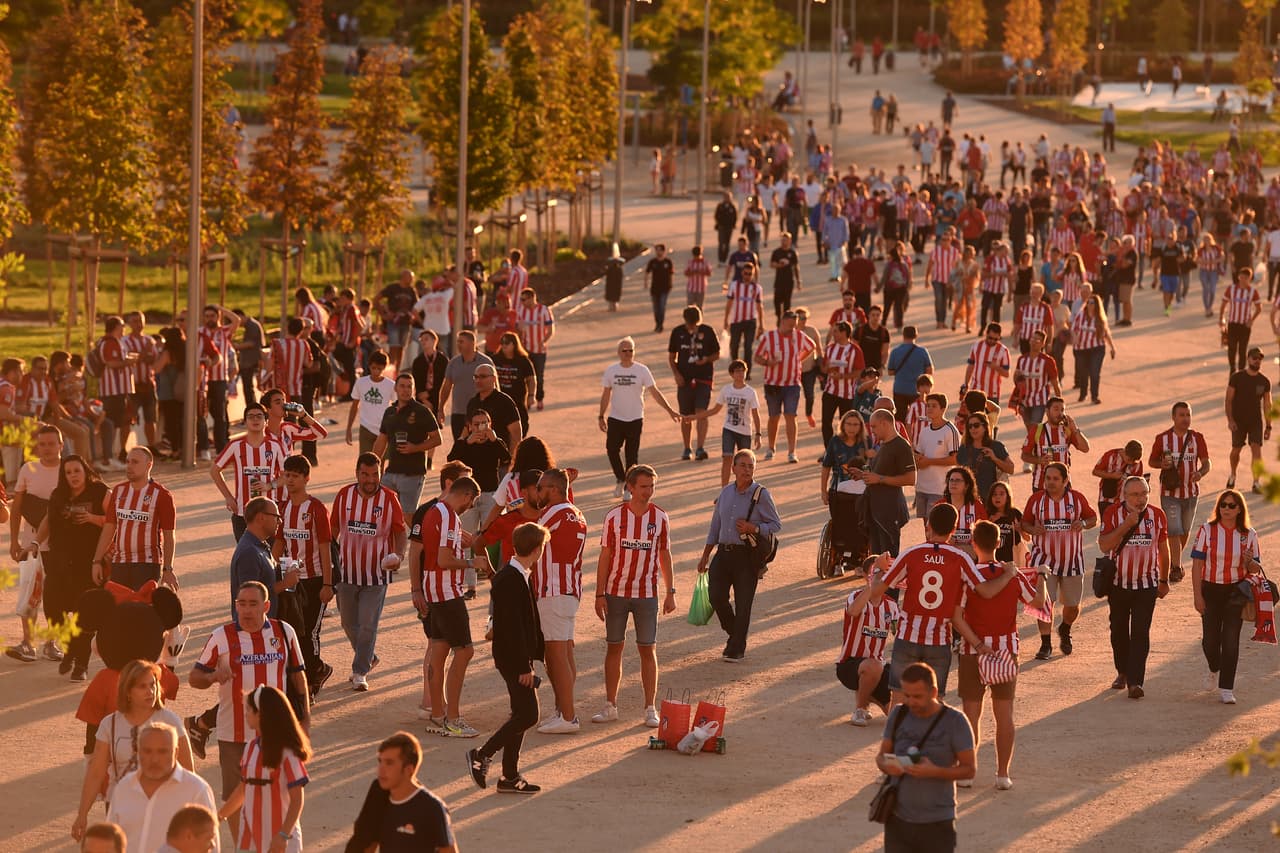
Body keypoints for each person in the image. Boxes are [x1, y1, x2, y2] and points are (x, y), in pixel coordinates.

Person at [188, 581, 308, 836]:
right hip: (234, 734)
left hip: (276, 734)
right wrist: (212, 678)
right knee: (234, 796)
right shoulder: (221, 636)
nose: (246, 610)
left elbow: (299, 677)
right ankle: (243, 846)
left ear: (266, 606)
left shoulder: (284, 632)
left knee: (280, 791)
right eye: (241, 604)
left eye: (253, 604)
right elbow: (194, 677)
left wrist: (305, 721)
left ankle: (278, 840)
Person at [954, 520, 1046, 791]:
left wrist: (976, 642)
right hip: (1006, 649)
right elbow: (1038, 603)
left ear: (973, 544)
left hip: (973, 650)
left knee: (971, 713)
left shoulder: (968, 576)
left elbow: (957, 617)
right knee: (1004, 714)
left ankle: (968, 772)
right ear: (998, 543)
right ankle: (1002, 773)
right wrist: (1041, 575)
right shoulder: (1013, 575)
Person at [867, 503, 988, 698]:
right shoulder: (961, 558)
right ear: (954, 529)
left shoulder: (911, 554)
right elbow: (982, 589)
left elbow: (877, 591)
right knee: (934, 703)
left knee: (898, 701)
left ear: (928, 525)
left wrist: (881, 568)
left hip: (908, 636)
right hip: (939, 639)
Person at [72, 660, 194, 843]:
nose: (150, 691)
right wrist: (82, 814)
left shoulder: (170, 721)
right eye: (142, 686)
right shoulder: (110, 724)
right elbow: (96, 773)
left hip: (162, 805)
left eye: (153, 685)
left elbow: (188, 771)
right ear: (127, 691)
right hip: (120, 806)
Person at [591, 464, 676, 724]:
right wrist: (599, 593)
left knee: (647, 649)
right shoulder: (614, 517)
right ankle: (610, 705)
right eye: (643, 487)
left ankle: (650, 708)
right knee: (614, 647)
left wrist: (670, 591)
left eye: (651, 486)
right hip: (616, 592)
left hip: (646, 592)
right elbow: (605, 555)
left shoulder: (660, 518)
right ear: (630, 487)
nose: (648, 492)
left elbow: (664, 554)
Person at [468, 522, 548, 794]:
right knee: (529, 714)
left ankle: (510, 777)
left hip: (513, 657)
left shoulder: (513, 575)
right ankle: (482, 754)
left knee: (520, 713)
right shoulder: (511, 580)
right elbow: (513, 629)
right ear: (537, 550)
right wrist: (525, 666)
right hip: (513, 660)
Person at [409, 476, 487, 736]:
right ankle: (453, 719)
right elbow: (443, 559)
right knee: (464, 652)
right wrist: (471, 564)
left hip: (434, 590)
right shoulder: (450, 517)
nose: (470, 507)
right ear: (466, 496)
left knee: (440, 650)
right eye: (472, 502)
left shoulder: (434, 511)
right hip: (446, 592)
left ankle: (438, 714)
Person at [873, 662, 975, 853]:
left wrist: (935, 771)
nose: (911, 702)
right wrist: (889, 766)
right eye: (907, 695)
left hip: (937, 822)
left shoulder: (955, 721)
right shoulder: (898, 714)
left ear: (934, 692)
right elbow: (881, 757)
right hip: (898, 820)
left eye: (918, 696)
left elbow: (969, 769)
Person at [695, 450, 781, 662]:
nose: (747, 469)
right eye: (742, 465)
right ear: (733, 468)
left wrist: (754, 528)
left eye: (750, 466)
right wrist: (706, 554)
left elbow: (776, 525)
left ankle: (736, 648)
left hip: (747, 557)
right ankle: (736, 635)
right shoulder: (725, 493)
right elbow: (715, 526)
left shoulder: (762, 495)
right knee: (715, 596)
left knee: (744, 604)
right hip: (723, 554)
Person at [330, 453, 407, 691]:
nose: (370, 479)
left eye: (375, 474)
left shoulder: (390, 499)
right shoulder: (344, 495)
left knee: (367, 625)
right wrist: (329, 562)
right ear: (357, 474)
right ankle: (370, 657)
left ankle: (360, 670)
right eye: (365, 474)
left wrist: (400, 555)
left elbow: (400, 531)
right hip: (346, 573)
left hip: (376, 575)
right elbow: (333, 529)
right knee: (347, 623)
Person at [36, 454, 108, 680]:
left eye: (76, 470)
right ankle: (69, 649)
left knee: (83, 615)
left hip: (88, 563)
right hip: (59, 562)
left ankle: (81, 664)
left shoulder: (100, 491)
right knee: (53, 608)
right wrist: (35, 542)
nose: (73, 476)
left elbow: (114, 521)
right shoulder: (58, 495)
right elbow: (48, 521)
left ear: (85, 470)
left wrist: (91, 518)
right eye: (68, 472)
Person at [1098, 476, 1170, 699]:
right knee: (1118, 630)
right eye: (1135, 495)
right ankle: (1122, 671)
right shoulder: (1112, 513)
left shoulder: (1157, 515)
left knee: (1140, 632)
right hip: (1118, 584)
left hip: (1146, 584)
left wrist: (1164, 580)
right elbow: (1104, 545)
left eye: (1144, 494)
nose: (1140, 499)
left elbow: (1163, 548)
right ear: (1125, 496)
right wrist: (1126, 525)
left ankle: (1135, 682)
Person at [528, 469, 587, 735]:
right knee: (564, 653)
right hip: (567, 590)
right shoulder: (575, 512)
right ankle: (564, 710)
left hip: (553, 591)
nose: (536, 494)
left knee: (556, 655)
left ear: (552, 489)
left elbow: (528, 535)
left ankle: (569, 716)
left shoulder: (553, 512)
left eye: (539, 489)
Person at [1191, 488, 1262, 705]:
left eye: (1231, 505)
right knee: (1210, 641)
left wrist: (1250, 561)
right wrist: (1197, 596)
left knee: (1230, 640)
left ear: (1240, 509)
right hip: (1210, 589)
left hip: (1235, 591)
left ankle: (1226, 688)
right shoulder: (1207, 530)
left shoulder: (1249, 534)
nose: (1226, 509)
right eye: (1223, 505)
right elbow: (1197, 565)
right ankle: (1214, 668)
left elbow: (1255, 569)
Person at [217, 685, 310, 852]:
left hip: (281, 841)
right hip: (250, 837)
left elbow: (297, 800)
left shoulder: (288, 754)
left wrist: (283, 835)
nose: (245, 714)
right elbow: (244, 788)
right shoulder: (250, 748)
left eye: (248, 710)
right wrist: (218, 817)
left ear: (261, 715)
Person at [1023, 462, 1097, 660]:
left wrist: (1082, 523)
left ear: (1065, 480)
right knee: (1044, 603)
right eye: (1048, 478)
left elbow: (1092, 519)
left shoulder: (1077, 498)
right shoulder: (1036, 500)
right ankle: (1045, 643)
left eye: (1056, 479)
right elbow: (1024, 522)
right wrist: (1032, 529)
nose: (1051, 482)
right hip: (1043, 561)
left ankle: (1065, 628)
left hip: (1072, 561)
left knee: (1072, 605)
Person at [274, 455, 334, 697]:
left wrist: (328, 584)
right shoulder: (283, 508)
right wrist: (272, 569)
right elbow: (279, 542)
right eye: (287, 475)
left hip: (315, 579)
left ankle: (311, 678)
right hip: (293, 581)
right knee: (294, 631)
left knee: (310, 632)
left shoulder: (316, 508)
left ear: (306, 478)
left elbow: (325, 547)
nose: (290, 480)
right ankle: (316, 670)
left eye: (295, 476)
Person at [106, 723, 219, 853]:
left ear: (176, 752)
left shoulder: (196, 790)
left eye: (162, 751)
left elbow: (212, 846)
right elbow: (110, 841)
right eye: (147, 751)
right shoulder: (124, 788)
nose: (154, 759)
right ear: (137, 752)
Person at [7, 422, 63, 662]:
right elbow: (16, 508)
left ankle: (52, 642)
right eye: (42, 444)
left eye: (51, 444)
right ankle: (27, 643)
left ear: (61, 445)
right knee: (30, 590)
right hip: (30, 542)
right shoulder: (27, 469)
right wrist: (13, 541)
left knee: (55, 595)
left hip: (61, 544)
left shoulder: (70, 470)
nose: (47, 448)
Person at [347, 733, 458, 851]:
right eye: (380, 761)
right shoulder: (379, 797)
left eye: (389, 763)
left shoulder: (432, 808)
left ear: (409, 770)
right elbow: (365, 843)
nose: (381, 769)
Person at [598, 337, 680, 496]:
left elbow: (655, 392)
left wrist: (670, 410)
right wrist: (601, 416)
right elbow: (606, 394)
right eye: (624, 351)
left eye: (631, 350)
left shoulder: (642, 370)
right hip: (616, 417)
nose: (628, 353)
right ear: (618, 352)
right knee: (612, 449)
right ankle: (620, 479)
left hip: (635, 418)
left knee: (631, 454)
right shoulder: (612, 371)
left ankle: (629, 488)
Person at [92, 446, 177, 592]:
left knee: (142, 610)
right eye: (128, 461)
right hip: (120, 562)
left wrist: (168, 569)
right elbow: (109, 528)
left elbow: (169, 536)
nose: (129, 466)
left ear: (149, 465)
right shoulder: (118, 491)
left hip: (147, 564)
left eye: (135, 462)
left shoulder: (162, 495)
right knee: (120, 610)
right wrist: (97, 561)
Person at [1150, 401, 1210, 583]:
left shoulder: (1197, 438)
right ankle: (1175, 567)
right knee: (1174, 530)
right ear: (1173, 417)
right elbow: (1152, 461)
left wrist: (1200, 472)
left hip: (1191, 493)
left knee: (1184, 531)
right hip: (1169, 493)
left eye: (1188, 415)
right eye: (1182, 415)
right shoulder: (1163, 438)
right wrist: (1162, 464)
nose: (1185, 419)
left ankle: (1171, 561)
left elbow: (1207, 462)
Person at [210, 403, 285, 543]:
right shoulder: (235, 445)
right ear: (245, 422)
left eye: (259, 416)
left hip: (269, 513)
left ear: (266, 421)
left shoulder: (275, 445)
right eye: (250, 417)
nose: (255, 420)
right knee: (247, 555)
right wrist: (228, 497)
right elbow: (214, 470)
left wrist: (270, 486)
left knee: (272, 558)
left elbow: (286, 474)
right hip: (242, 512)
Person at [372, 372, 442, 516]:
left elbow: (437, 439)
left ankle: (420, 538)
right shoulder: (389, 412)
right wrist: (372, 464)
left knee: (408, 516)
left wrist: (415, 448)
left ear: (414, 390)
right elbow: (381, 440)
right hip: (390, 473)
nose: (406, 390)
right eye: (402, 386)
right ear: (395, 389)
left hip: (413, 473)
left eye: (409, 387)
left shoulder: (422, 411)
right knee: (382, 513)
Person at [754, 310, 817, 463]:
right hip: (773, 383)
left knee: (791, 416)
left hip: (792, 383)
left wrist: (798, 359)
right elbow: (757, 357)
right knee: (774, 417)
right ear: (782, 322)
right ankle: (771, 447)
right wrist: (768, 362)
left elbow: (812, 346)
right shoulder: (769, 337)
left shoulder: (798, 336)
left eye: (794, 326)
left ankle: (792, 451)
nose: (792, 329)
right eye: (790, 326)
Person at [839, 565, 899, 726]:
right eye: (877, 575)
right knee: (873, 666)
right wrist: (871, 586)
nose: (882, 580)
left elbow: (898, 633)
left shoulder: (891, 605)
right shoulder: (855, 597)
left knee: (895, 714)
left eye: (886, 576)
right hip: (850, 665)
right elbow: (853, 612)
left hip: (879, 666)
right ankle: (860, 709)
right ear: (867, 575)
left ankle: (869, 695)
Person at [687, 359, 761, 488]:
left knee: (746, 463)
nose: (740, 374)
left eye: (743, 371)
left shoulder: (750, 392)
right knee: (727, 458)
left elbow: (755, 414)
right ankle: (725, 490)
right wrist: (694, 417)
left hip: (745, 431)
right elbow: (715, 410)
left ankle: (746, 489)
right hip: (729, 429)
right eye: (737, 371)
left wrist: (758, 434)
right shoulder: (726, 390)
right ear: (732, 374)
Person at [667, 305, 721, 461]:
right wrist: (676, 374)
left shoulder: (708, 331)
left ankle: (700, 448)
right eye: (691, 325)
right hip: (684, 379)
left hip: (703, 378)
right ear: (685, 321)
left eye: (696, 324)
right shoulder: (677, 332)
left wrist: (707, 359)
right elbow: (671, 357)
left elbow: (717, 353)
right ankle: (686, 448)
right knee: (686, 415)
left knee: (701, 413)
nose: (693, 327)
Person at [821, 411, 871, 575]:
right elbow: (826, 466)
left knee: (861, 525)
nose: (851, 428)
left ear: (861, 426)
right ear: (843, 425)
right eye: (848, 424)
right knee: (839, 524)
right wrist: (823, 491)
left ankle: (860, 558)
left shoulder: (866, 442)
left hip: (862, 491)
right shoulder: (835, 442)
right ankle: (837, 560)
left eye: (855, 424)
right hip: (838, 490)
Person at [863, 409, 917, 556]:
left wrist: (879, 479)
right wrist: (864, 475)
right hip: (876, 511)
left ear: (884, 423)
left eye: (874, 426)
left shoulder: (901, 445)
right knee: (876, 559)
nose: (872, 431)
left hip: (889, 512)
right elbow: (880, 474)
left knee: (888, 560)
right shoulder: (883, 445)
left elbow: (911, 479)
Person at [1225, 346, 1272, 493]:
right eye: (1254, 358)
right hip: (1238, 421)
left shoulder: (1264, 381)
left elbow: (1267, 404)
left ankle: (1256, 482)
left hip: (1255, 421)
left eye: (1259, 359)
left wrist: (1268, 425)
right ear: (1248, 359)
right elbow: (1228, 400)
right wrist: (1230, 420)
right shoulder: (1237, 378)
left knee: (1256, 450)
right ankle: (1233, 474)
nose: (1257, 361)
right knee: (1236, 450)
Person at [1021, 397, 1090, 491]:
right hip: (1041, 486)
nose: (1060, 413)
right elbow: (1024, 456)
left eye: (1062, 410)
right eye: (1056, 409)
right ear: (1047, 411)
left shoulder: (1067, 430)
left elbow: (1085, 448)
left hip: (1064, 486)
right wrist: (1039, 460)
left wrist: (1075, 429)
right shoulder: (1037, 430)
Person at [197, 304, 241, 452]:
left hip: (220, 379)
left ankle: (221, 447)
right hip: (202, 379)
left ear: (218, 317)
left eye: (213, 316)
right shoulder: (199, 332)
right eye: (207, 316)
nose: (210, 319)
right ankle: (202, 446)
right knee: (201, 413)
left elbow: (236, 320)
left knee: (220, 415)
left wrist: (221, 309)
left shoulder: (224, 332)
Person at [1070, 295, 1117, 404]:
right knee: (1083, 372)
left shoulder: (1100, 318)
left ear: (1097, 305)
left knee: (1095, 372)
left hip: (1097, 348)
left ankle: (1094, 396)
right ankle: (1083, 393)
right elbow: (1073, 329)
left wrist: (1113, 347)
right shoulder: (1081, 315)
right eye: (1089, 302)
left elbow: (1106, 334)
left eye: (1092, 303)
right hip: (1081, 349)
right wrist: (1075, 337)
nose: (1090, 305)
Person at [346, 350, 395, 454]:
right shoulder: (361, 382)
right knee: (365, 459)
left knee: (380, 461)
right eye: (373, 368)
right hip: (366, 428)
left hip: (384, 429)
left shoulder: (390, 385)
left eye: (379, 369)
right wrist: (349, 427)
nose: (376, 371)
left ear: (384, 368)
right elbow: (355, 406)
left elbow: (396, 407)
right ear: (369, 366)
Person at [466, 363, 523, 452]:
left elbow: (516, 434)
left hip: (499, 458)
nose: (478, 380)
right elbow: (466, 430)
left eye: (482, 376)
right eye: (475, 377)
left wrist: (511, 460)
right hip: (475, 457)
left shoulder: (504, 401)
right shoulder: (473, 402)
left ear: (494, 379)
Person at [956, 413, 1012, 501]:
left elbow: (1010, 469)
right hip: (969, 498)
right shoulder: (964, 448)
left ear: (985, 427)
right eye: (970, 426)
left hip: (991, 499)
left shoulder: (996, 446)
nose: (973, 429)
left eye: (976, 425)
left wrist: (994, 458)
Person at [724, 262, 765, 374]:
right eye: (745, 273)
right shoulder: (734, 285)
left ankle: (747, 372)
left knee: (748, 347)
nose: (747, 276)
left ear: (753, 274)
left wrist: (761, 324)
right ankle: (734, 369)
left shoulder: (757, 288)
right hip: (736, 320)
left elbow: (759, 307)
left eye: (749, 274)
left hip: (750, 321)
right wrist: (726, 320)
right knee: (734, 346)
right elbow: (729, 303)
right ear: (742, 273)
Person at [1219, 267, 1262, 373]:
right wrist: (1221, 318)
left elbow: (1259, 307)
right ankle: (1232, 368)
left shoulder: (1252, 292)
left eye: (1246, 278)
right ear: (1238, 277)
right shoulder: (1231, 289)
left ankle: (1241, 371)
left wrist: (1252, 320)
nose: (1243, 280)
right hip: (1233, 323)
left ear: (1250, 278)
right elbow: (1224, 304)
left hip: (1245, 325)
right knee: (1232, 348)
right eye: (1241, 277)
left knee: (1242, 350)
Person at [887, 326, 933, 420]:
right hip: (917, 390)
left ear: (903, 335)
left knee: (899, 417)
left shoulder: (895, 351)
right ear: (916, 335)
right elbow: (929, 371)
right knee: (917, 417)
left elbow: (890, 372)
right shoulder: (922, 351)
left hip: (899, 389)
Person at [1092, 440, 1145, 518]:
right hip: (1106, 499)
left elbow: (1138, 482)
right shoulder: (1110, 455)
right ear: (1125, 452)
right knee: (1107, 528)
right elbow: (1095, 471)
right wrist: (1111, 476)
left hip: (1126, 503)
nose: (1131, 463)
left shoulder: (1138, 464)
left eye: (1134, 461)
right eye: (1129, 459)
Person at [644, 244, 675, 332]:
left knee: (662, 306)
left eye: (659, 250)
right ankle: (657, 323)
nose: (658, 252)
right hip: (654, 288)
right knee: (656, 308)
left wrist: (671, 284)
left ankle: (660, 324)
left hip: (665, 288)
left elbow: (671, 273)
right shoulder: (653, 262)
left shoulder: (668, 262)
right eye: (656, 250)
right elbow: (647, 272)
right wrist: (645, 283)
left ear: (663, 251)